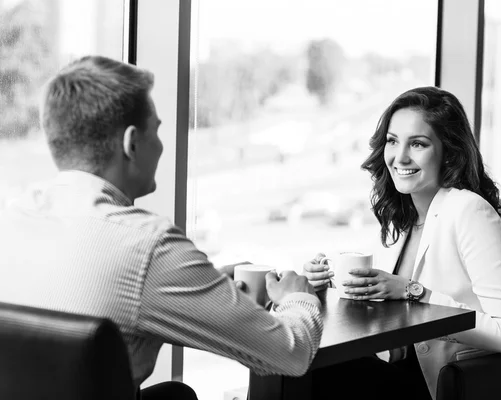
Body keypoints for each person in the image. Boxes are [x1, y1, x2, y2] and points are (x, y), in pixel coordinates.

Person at [0, 56, 323, 399]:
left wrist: (203, 284)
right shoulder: (146, 245)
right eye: (157, 129)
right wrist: (298, 298)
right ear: (132, 143)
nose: (162, 145)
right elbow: (291, 354)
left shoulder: (12, 217)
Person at [303, 86, 501, 400]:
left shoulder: (470, 212)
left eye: (418, 143)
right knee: (297, 355)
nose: (400, 156)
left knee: (301, 366)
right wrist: (326, 284)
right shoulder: (400, 216)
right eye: (393, 141)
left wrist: (415, 292)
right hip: (394, 368)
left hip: (438, 382)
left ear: (448, 151)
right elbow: (383, 305)